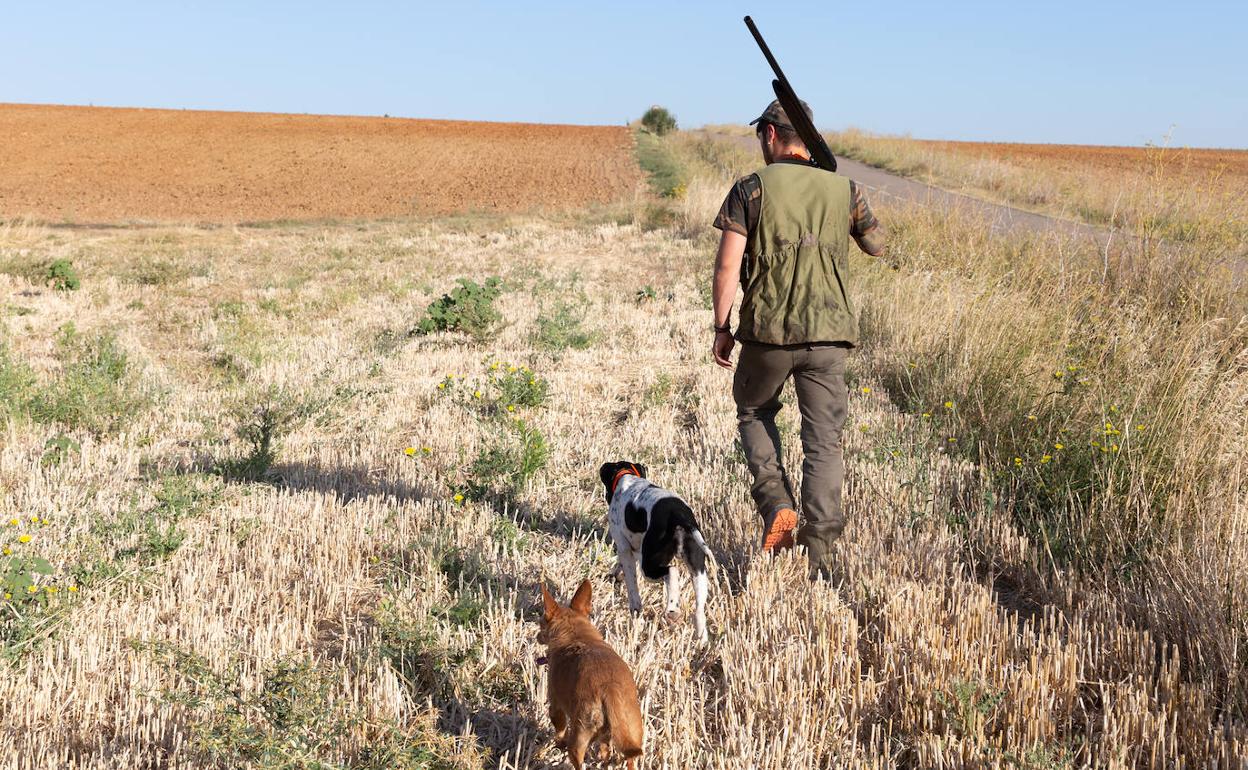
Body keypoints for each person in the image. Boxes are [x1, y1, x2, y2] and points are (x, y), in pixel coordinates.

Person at [710, 99, 886, 577]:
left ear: (770, 134)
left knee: (753, 412)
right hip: (829, 337)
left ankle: (776, 506)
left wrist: (722, 327)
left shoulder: (750, 189)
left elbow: (728, 265)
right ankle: (822, 550)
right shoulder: (843, 190)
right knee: (824, 442)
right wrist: (835, 188)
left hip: (767, 335)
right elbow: (876, 244)